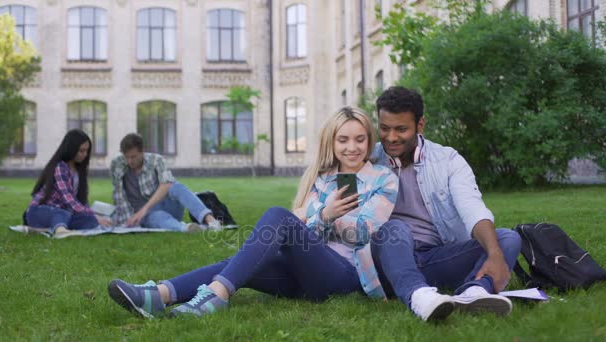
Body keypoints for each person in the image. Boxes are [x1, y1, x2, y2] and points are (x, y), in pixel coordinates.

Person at [107, 107, 398, 318]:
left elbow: (364, 233)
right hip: (305, 273)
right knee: (242, 260)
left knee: (277, 216)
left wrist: (323, 215)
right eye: (343, 140)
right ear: (332, 143)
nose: (352, 147)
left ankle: (218, 295)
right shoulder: (322, 180)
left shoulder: (383, 179)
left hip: (345, 275)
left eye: (360, 139)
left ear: (369, 140)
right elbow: (305, 235)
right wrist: (320, 218)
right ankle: (159, 295)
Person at [369, 86, 522, 321]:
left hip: (435, 258)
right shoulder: (368, 158)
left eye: (401, 129)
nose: (391, 137)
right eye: (384, 128)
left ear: (420, 125)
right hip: (390, 259)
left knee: (506, 239)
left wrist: (494, 253)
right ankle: (418, 296)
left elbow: (473, 208)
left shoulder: (448, 160)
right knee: (395, 228)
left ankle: (475, 291)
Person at [109, 133, 221, 232]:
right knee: (155, 217)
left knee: (175, 186)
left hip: (167, 206)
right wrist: (127, 218)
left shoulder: (157, 160)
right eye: (127, 157)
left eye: (133, 157)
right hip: (147, 215)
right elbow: (118, 196)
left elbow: (166, 184)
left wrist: (144, 210)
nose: (130, 161)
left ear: (142, 151)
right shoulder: (117, 164)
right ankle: (186, 228)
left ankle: (210, 220)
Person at [24, 129, 111, 239]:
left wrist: (94, 217)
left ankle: (48, 229)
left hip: (65, 213)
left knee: (90, 221)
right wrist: (94, 215)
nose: (85, 154)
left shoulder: (79, 171)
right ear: (71, 149)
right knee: (60, 213)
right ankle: (60, 231)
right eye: (81, 151)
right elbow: (68, 199)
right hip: (40, 212)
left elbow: (81, 201)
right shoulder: (60, 167)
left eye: (87, 151)